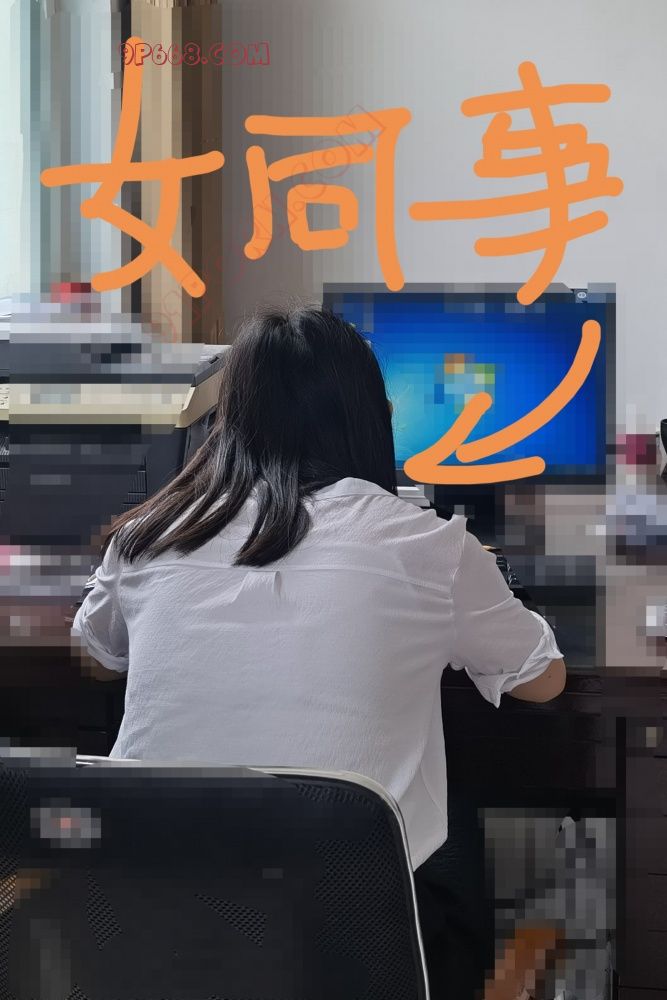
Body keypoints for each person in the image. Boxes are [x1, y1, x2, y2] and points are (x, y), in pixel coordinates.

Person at [72, 305, 565, 995]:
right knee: (449, 818)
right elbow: (542, 680)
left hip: (158, 935)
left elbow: (96, 654)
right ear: (372, 417)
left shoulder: (147, 537)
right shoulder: (428, 547)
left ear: (230, 418)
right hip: (347, 940)